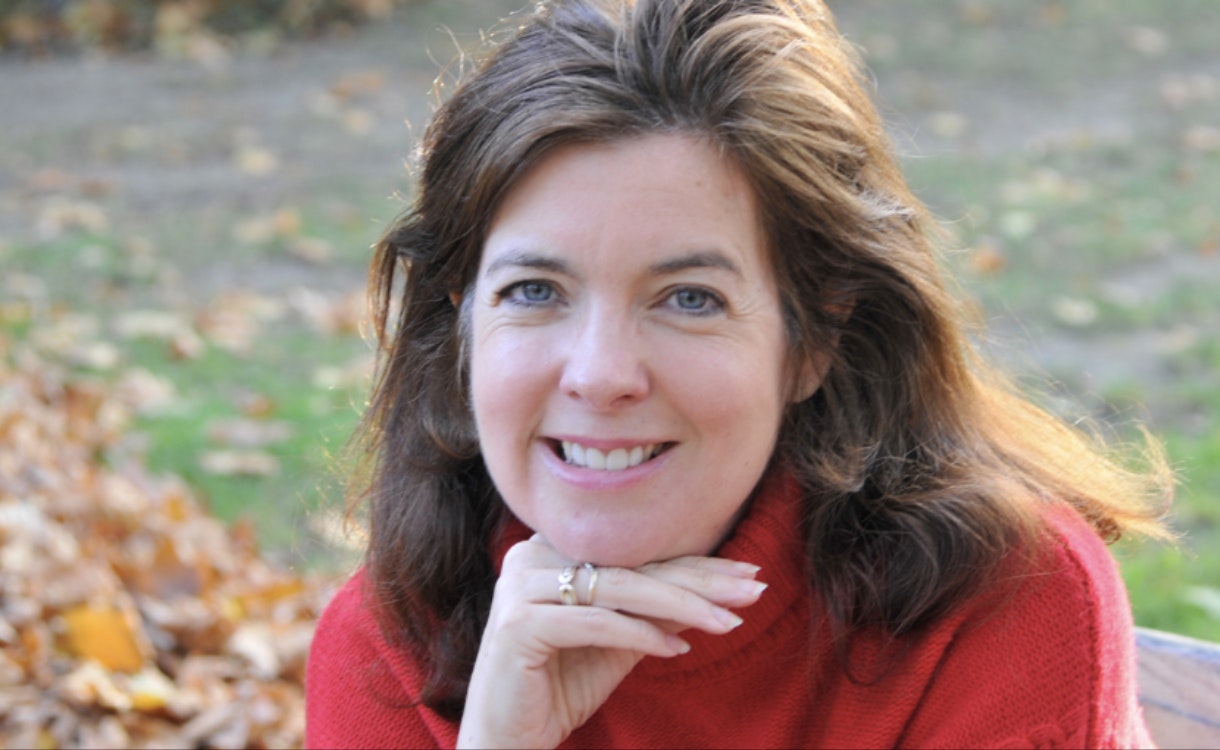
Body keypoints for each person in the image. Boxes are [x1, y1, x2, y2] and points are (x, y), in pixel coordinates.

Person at [305, 0, 1174, 747]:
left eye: (688, 298)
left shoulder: (1004, 605)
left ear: (813, 340)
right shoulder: (385, 650)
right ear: (462, 321)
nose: (602, 374)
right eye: (535, 290)